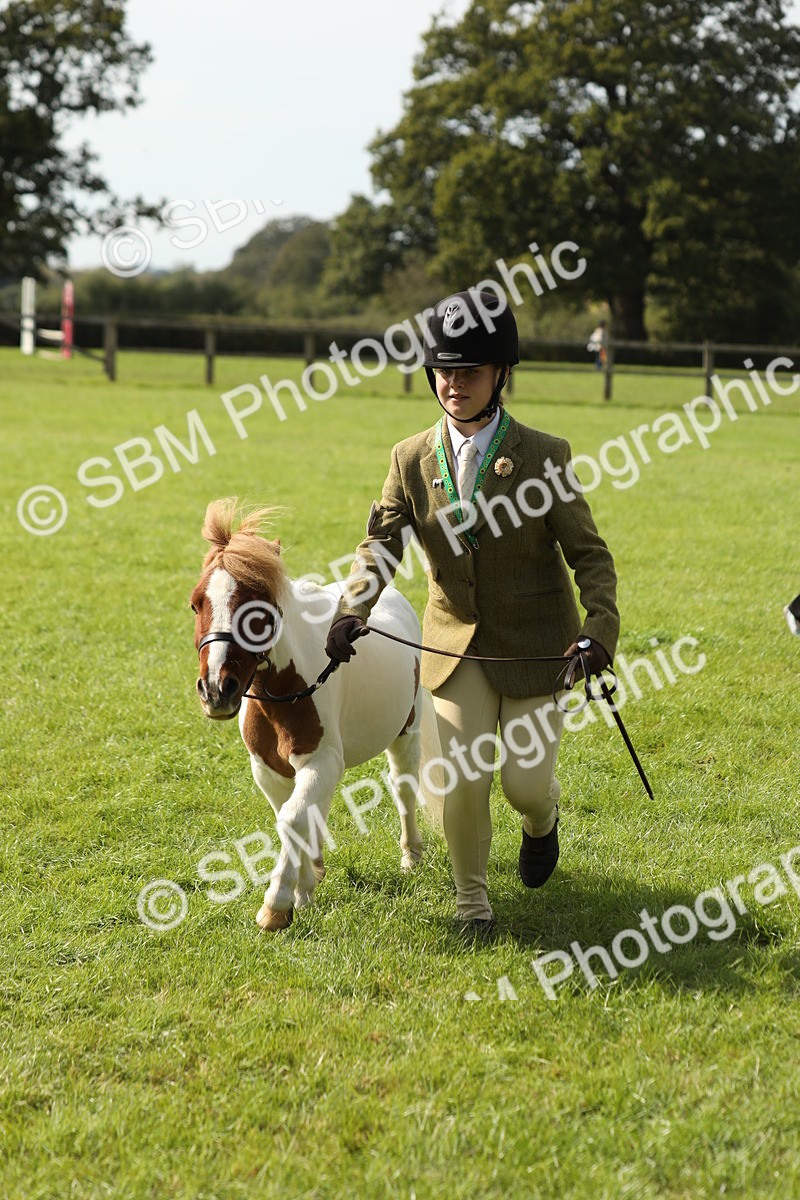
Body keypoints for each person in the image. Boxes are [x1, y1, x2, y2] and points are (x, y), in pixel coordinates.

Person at [325, 291, 619, 931]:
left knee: (524, 785)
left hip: (539, 646)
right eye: (444, 371)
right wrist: (351, 610)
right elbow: (381, 544)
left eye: (470, 371)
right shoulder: (409, 458)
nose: (454, 384)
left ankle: (542, 819)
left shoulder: (545, 454)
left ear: (501, 374)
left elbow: (590, 555)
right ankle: (472, 904)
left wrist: (599, 629)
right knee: (460, 780)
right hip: (454, 643)